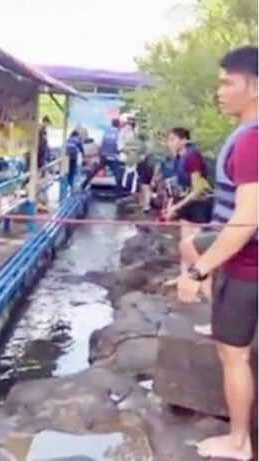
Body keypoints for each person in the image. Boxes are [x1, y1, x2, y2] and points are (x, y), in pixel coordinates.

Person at [176, 45, 258, 461]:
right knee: (190, 244)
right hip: (240, 255)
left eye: (228, 82)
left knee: (234, 354)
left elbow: (247, 221)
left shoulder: (251, 142)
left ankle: (239, 442)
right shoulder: (246, 136)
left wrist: (197, 273)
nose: (219, 91)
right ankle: (221, 320)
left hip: (249, 263)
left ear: (255, 87)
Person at [162, 127, 214, 283]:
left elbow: (198, 189)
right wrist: (170, 205)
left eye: (173, 139)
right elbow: (176, 184)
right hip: (185, 201)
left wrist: (176, 207)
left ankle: (200, 278)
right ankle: (184, 276)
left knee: (195, 242)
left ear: (184, 140)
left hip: (200, 203)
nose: (169, 143)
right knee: (184, 241)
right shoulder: (178, 157)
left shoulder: (193, 157)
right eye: (168, 140)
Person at [80, 118, 124, 196]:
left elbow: (101, 144)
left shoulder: (106, 132)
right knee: (118, 176)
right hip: (113, 157)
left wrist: (99, 155)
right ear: (118, 124)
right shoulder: (119, 133)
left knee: (94, 171)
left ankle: (83, 185)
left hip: (104, 156)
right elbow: (119, 146)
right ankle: (118, 194)